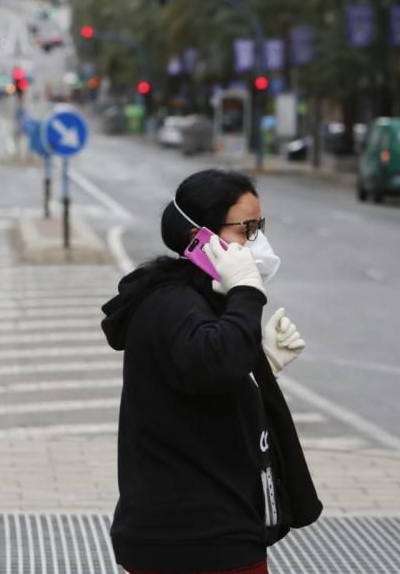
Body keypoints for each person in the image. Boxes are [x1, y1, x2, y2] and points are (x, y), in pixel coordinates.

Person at [101, 169, 322, 574]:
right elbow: (213, 363)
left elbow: (199, 386)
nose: (258, 241)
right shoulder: (173, 304)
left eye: (261, 226)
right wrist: (247, 291)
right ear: (199, 239)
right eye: (246, 228)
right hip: (195, 537)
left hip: (201, 528)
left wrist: (259, 367)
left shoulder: (194, 301)